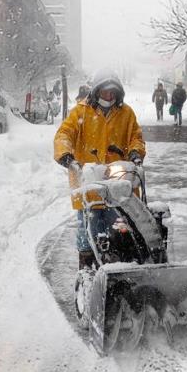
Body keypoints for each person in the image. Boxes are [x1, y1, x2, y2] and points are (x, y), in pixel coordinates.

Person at [53, 70, 146, 269]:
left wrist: (136, 153)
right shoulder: (81, 112)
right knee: (88, 229)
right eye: (105, 92)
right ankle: (86, 266)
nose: (109, 96)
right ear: (96, 92)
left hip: (118, 182)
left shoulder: (126, 113)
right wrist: (67, 157)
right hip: (88, 180)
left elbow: (135, 137)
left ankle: (124, 262)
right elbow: (64, 134)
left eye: (113, 93)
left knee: (123, 227)